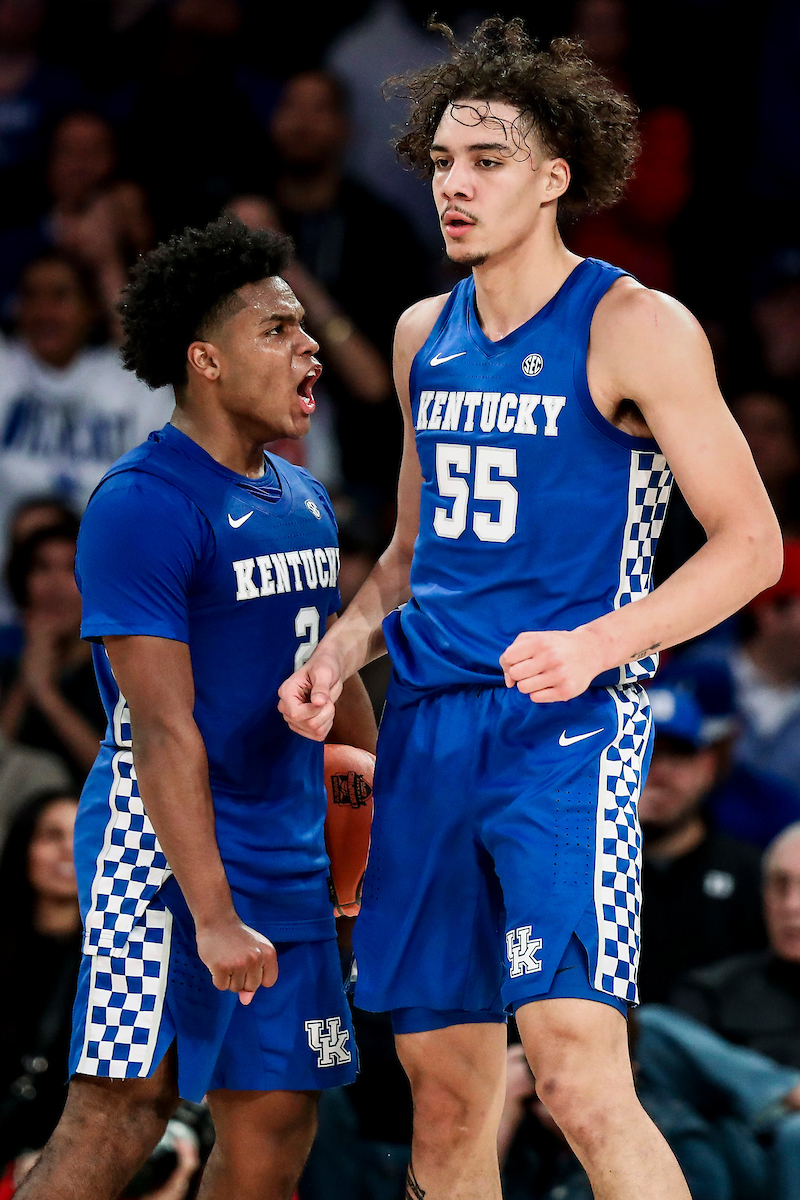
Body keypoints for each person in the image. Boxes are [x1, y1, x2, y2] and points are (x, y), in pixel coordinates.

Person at [278, 19, 782, 1200]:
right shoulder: (418, 336)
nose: (455, 184)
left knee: (572, 1076)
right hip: (425, 732)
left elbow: (751, 544)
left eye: (487, 161)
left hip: (568, 734)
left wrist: (599, 642)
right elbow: (408, 550)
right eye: (443, 161)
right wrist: (336, 650)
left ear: (556, 175)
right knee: (444, 1095)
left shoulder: (634, 325)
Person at [15, 216, 377, 1200]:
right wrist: (210, 916)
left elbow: (333, 670)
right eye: (278, 328)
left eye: (306, 328)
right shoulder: (140, 505)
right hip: (161, 848)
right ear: (205, 360)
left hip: (286, 838)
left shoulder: (303, 497)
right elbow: (163, 729)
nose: (308, 346)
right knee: (125, 1108)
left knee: (273, 1130)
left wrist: (372, 821)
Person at [0, 251, 172, 622]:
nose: (43, 311)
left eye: (60, 296)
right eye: (31, 296)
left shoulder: (133, 384)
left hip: (105, 609)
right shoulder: (5, 370)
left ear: (92, 309)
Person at [636, 687, 765, 1002]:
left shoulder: (750, 872)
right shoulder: (585, 873)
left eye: (677, 755)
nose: (659, 773)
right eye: (643, 753)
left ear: (706, 767)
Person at [672, 822, 800, 1070]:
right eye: (779, 884)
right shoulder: (708, 993)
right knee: (656, 1026)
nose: (792, 904)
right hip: (731, 1109)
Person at [0, 791, 81, 1171]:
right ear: (23, 847)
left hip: (66, 1159)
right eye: (51, 836)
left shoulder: (122, 959)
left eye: (81, 833)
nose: (69, 850)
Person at [0, 520, 106, 787]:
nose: (55, 586)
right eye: (42, 568)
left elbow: (116, 774)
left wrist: (46, 695)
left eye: (71, 570)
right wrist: (26, 683)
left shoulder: (116, 673)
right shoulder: (7, 673)